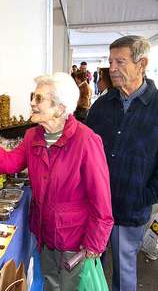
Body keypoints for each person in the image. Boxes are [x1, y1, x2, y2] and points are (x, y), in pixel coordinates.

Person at [0, 72, 114, 291]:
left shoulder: (86, 141)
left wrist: (94, 242)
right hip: (45, 234)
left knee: (71, 287)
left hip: (74, 239)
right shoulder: (32, 136)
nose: (31, 103)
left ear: (60, 108)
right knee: (50, 284)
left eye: (38, 99)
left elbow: (101, 198)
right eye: (33, 97)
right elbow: (8, 163)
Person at [85, 35, 158, 291]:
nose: (111, 68)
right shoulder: (102, 104)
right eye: (110, 61)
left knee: (124, 270)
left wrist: (146, 194)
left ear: (142, 64)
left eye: (120, 61)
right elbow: (85, 148)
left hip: (131, 206)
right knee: (92, 265)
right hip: (96, 204)